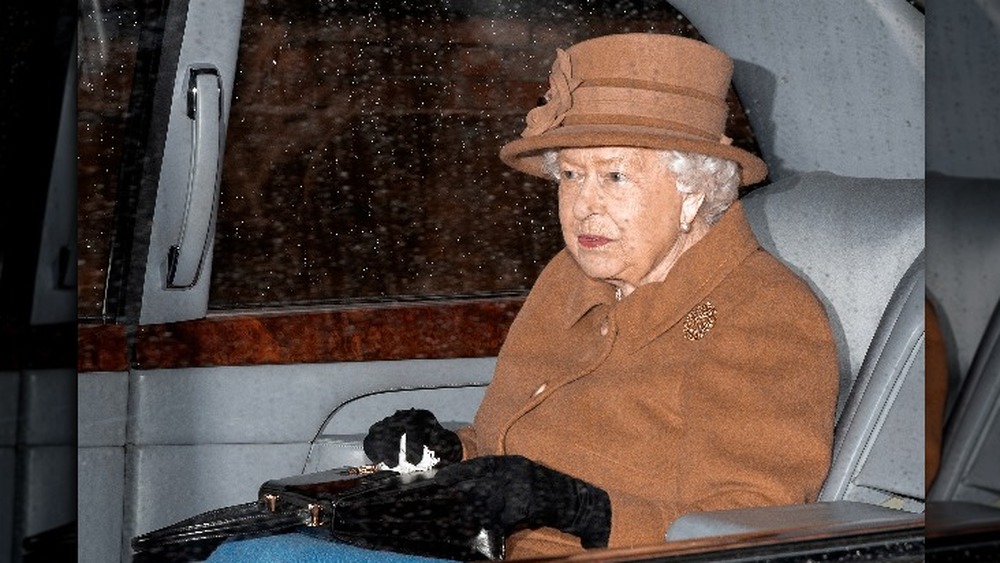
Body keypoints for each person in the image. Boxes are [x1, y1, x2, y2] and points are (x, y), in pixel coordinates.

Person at [364, 33, 839, 559]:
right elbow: (521, 449)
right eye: (570, 175)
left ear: (693, 192)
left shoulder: (764, 313)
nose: (584, 205)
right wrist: (451, 451)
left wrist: (580, 508)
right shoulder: (568, 278)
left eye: (614, 176)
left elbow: (742, 530)